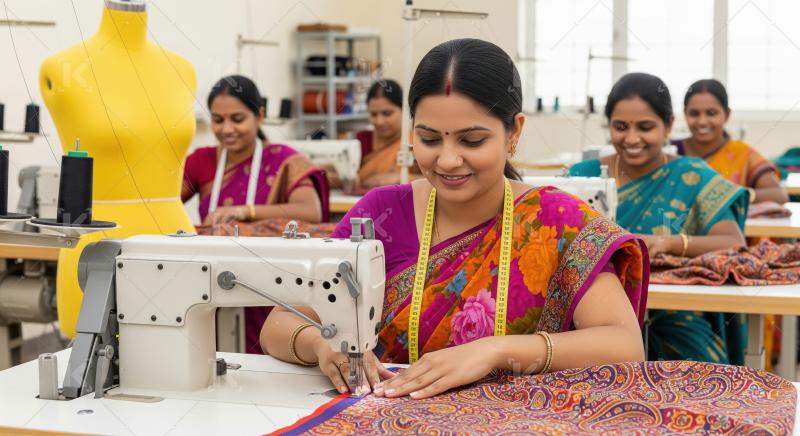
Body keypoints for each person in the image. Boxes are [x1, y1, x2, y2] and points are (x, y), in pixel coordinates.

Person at [261, 39, 648, 399]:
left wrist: (494, 351)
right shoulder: (380, 213)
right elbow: (278, 325)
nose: (446, 160)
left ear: (514, 132)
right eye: (429, 140)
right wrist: (320, 345)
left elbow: (625, 345)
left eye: (471, 141)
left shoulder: (554, 222)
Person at [570, 72, 749, 364]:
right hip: (592, 320)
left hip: (674, 318)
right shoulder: (582, 174)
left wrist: (668, 242)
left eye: (645, 127)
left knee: (695, 372)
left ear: (668, 125)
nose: (631, 138)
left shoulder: (692, 175)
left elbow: (732, 240)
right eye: (620, 127)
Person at [182, 75, 330, 353]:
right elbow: (164, 199)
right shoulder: (202, 161)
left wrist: (245, 212)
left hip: (269, 288)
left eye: (237, 119)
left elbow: (311, 210)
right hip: (213, 280)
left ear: (259, 115)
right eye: (218, 120)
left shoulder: (283, 160)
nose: (226, 129)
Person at [675, 79, 788, 204]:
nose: (702, 121)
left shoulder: (742, 153)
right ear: (685, 114)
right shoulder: (670, 151)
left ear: (727, 114)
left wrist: (737, 196)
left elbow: (779, 195)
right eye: (694, 114)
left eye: (711, 113)